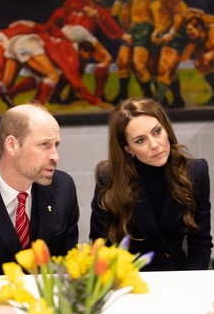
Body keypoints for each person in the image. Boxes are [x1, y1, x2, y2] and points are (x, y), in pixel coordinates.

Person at [89, 97, 212, 271]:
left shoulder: (195, 172)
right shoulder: (109, 177)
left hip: (178, 275)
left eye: (157, 132)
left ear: (166, 129)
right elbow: (100, 245)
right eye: (140, 140)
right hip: (129, 279)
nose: (154, 145)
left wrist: (190, 284)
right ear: (128, 148)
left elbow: (200, 242)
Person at [0, 102, 79, 275]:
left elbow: (67, 268)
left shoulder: (63, 187)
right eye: (44, 144)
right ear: (12, 145)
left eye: (56, 145)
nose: (55, 156)